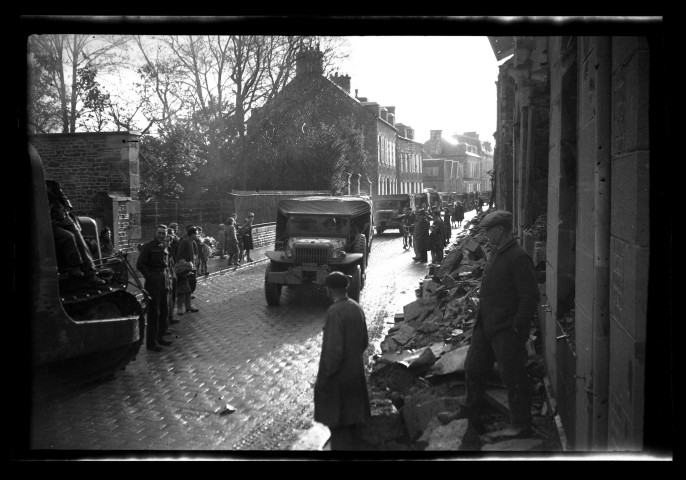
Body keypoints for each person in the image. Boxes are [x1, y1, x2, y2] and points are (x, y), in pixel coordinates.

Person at [436, 210, 540, 435]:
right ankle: (470, 412)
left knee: (513, 375)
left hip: (506, 329)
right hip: (486, 324)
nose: (486, 235)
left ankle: (521, 424)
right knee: (473, 367)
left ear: (501, 231)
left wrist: (517, 327)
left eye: (488, 231)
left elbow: (530, 296)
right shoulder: (498, 252)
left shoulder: (518, 257)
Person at [314, 271, 371, 450]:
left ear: (329, 290)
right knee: (353, 425)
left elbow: (333, 353)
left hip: (339, 382)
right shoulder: (356, 307)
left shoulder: (334, 312)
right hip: (356, 376)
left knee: (339, 428)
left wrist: (323, 379)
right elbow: (364, 342)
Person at [45, 180, 105, 285]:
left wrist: (66, 209)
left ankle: (90, 272)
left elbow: (64, 199)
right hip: (50, 222)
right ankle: (75, 266)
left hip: (64, 218)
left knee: (80, 240)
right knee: (69, 237)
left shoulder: (51, 184)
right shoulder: (35, 189)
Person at [136, 224, 174, 352]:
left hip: (164, 279)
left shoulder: (165, 247)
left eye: (164, 233)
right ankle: (151, 343)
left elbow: (167, 265)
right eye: (159, 233)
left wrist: (168, 281)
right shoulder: (148, 247)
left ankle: (160, 337)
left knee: (164, 310)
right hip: (153, 281)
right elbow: (140, 264)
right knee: (154, 312)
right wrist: (149, 277)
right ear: (155, 233)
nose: (161, 235)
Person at [175, 226, 200, 315]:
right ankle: (180, 309)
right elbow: (179, 256)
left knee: (188, 289)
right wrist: (185, 265)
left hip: (189, 269)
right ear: (192, 234)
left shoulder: (191, 242)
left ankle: (188, 307)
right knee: (182, 290)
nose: (197, 235)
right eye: (196, 233)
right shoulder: (184, 242)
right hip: (183, 269)